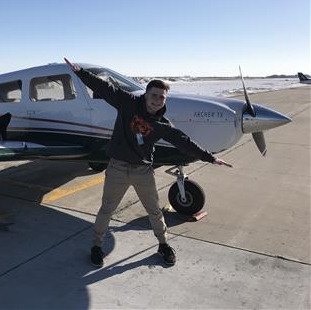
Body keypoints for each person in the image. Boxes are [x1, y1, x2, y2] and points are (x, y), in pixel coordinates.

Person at [64, 58, 232, 267]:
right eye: (154, 96)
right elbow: (104, 87)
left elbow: (184, 142)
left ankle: (163, 245)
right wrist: (80, 72)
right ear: (146, 94)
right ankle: (97, 246)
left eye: (161, 98)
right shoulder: (127, 103)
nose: (157, 101)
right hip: (117, 168)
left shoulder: (162, 124)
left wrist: (210, 157)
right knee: (106, 210)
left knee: (154, 211)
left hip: (143, 171)